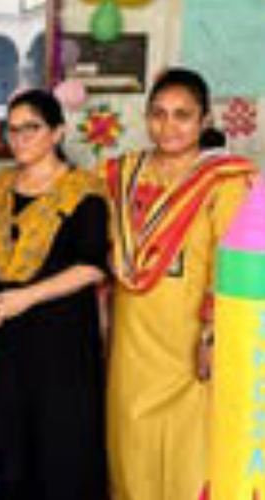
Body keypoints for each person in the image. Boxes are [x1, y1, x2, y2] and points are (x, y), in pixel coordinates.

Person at [100, 67, 256, 500]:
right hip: (133, 338)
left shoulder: (225, 181)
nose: (168, 126)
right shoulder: (123, 174)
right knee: (131, 448)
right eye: (158, 114)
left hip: (191, 343)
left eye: (182, 115)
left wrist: (212, 335)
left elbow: (230, 265)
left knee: (191, 458)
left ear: (205, 121)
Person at [0, 88, 109, 500]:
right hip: (7, 333)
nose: (20, 138)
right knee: (12, 442)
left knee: (59, 443)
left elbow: (92, 265)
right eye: (13, 129)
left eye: (32, 128)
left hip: (60, 337)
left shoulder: (84, 191)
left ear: (57, 133)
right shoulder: (1, 186)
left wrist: (25, 298)